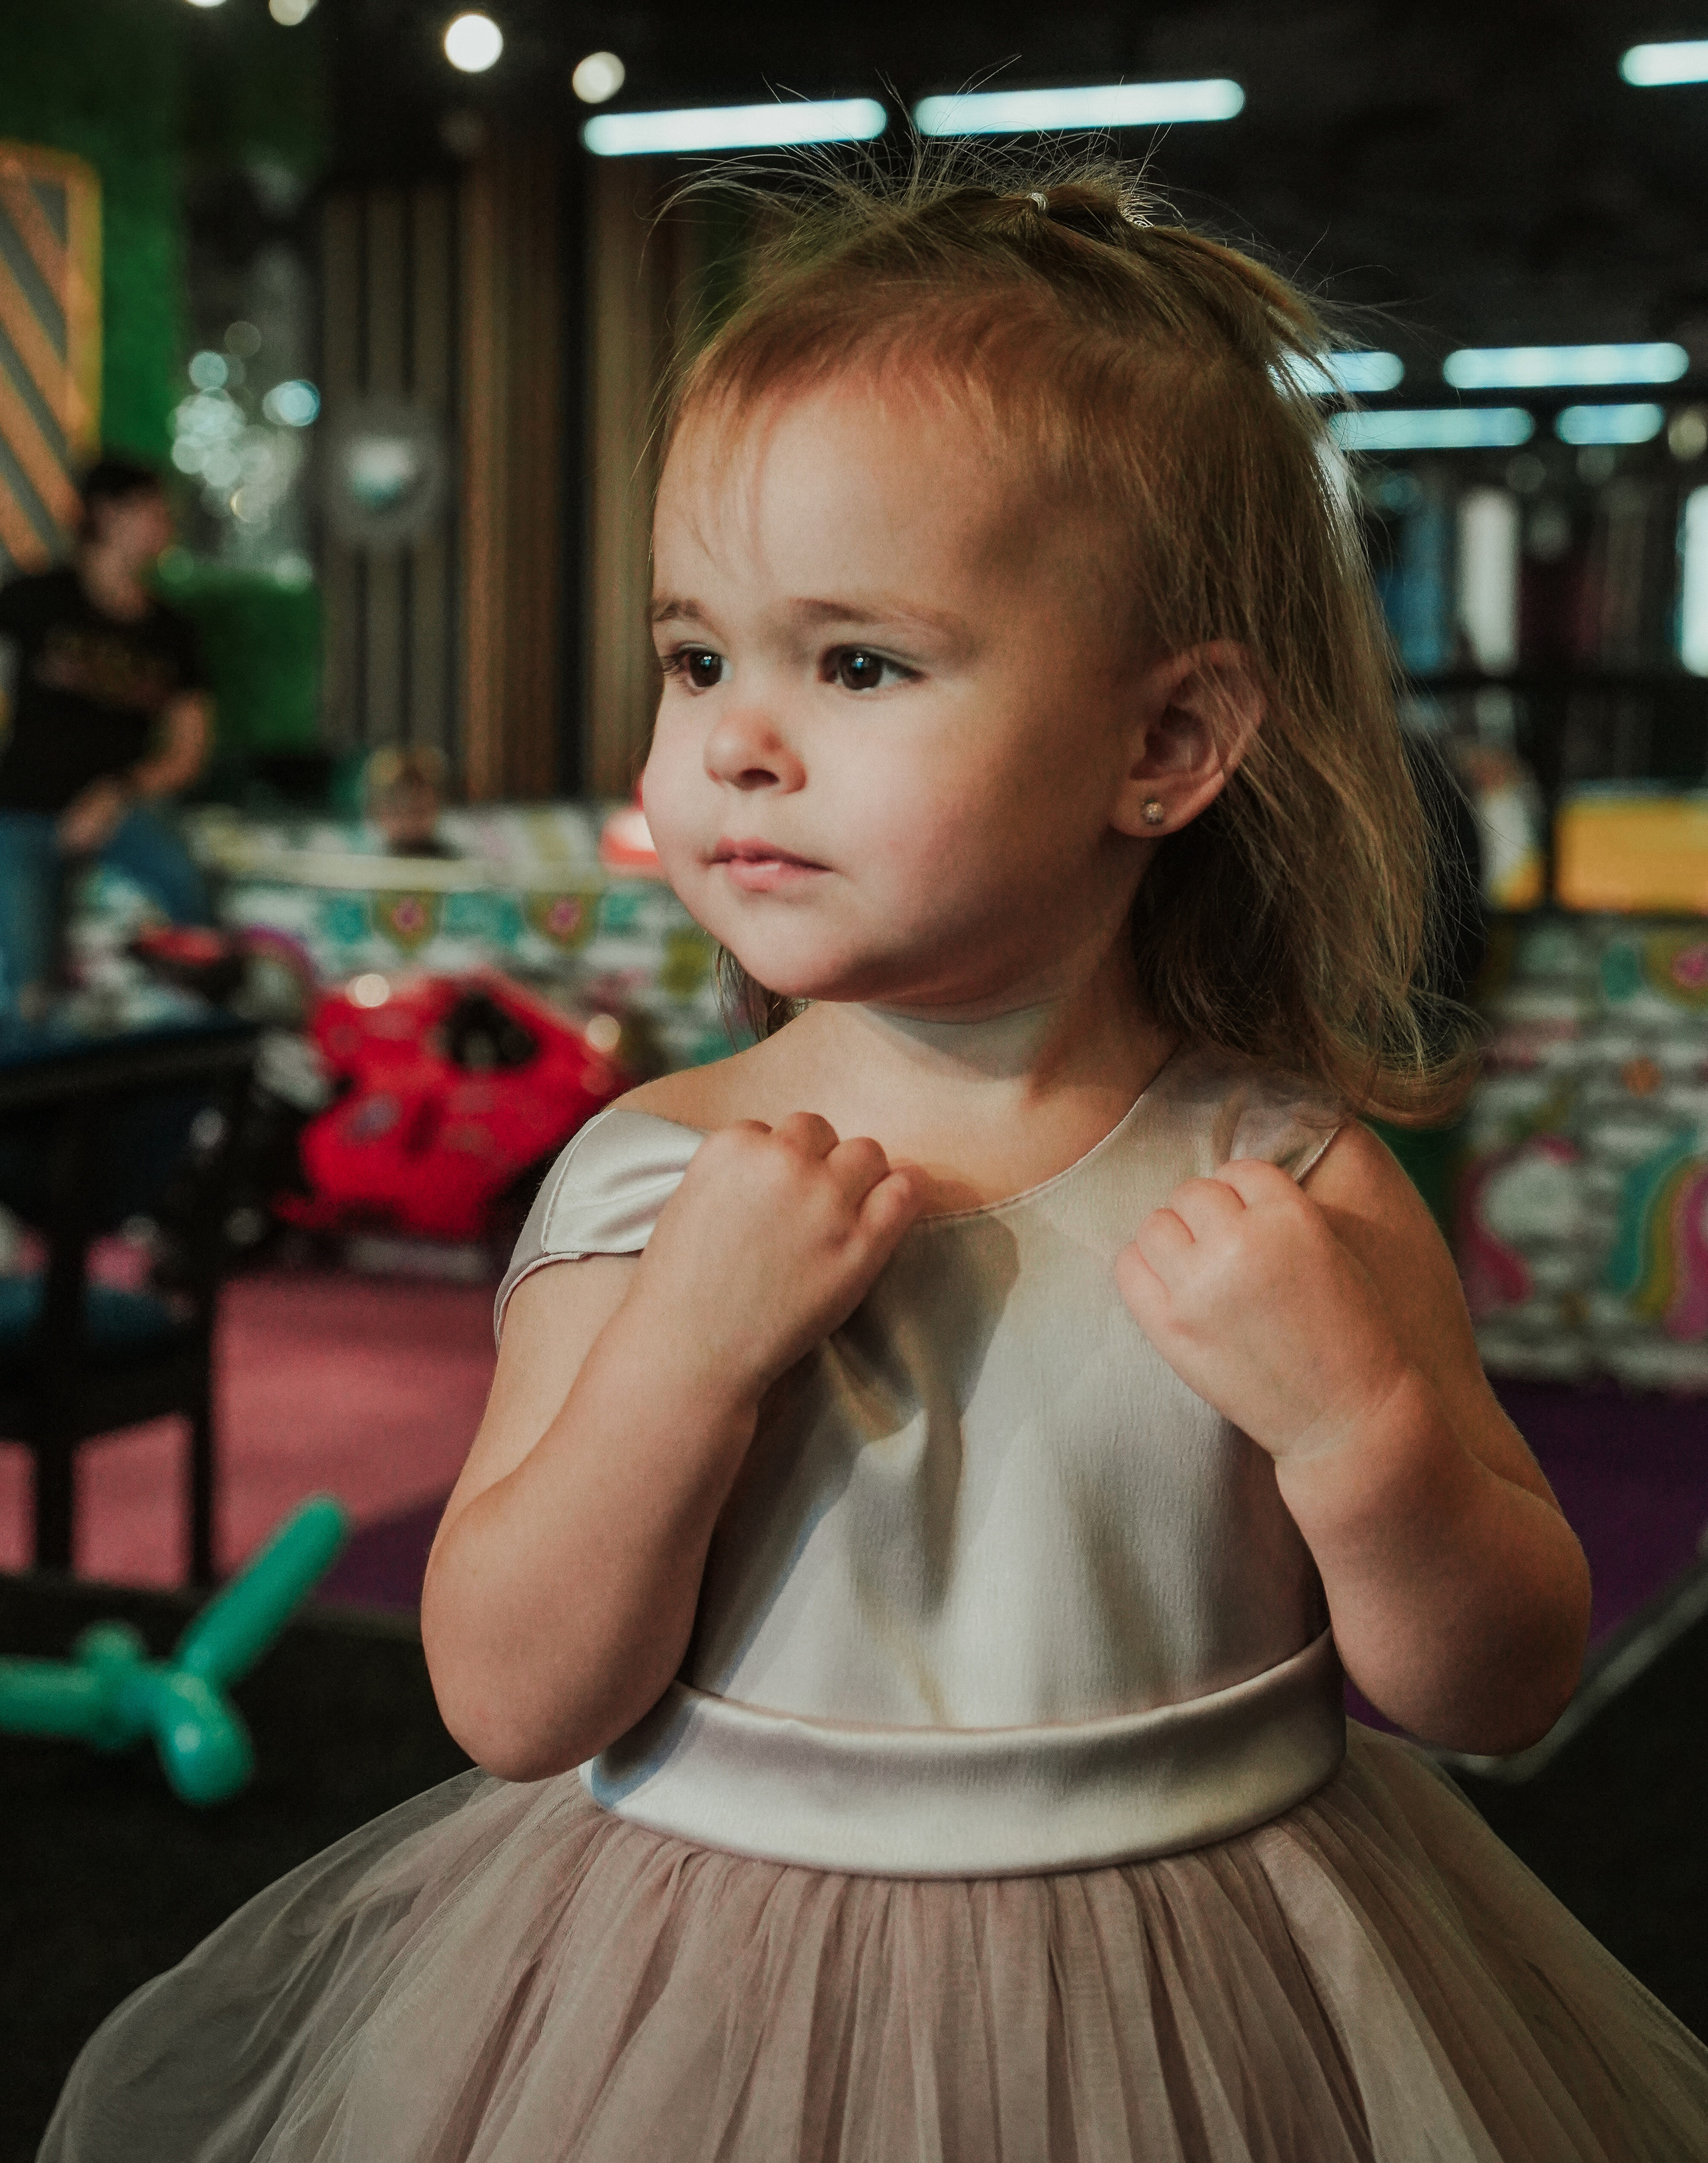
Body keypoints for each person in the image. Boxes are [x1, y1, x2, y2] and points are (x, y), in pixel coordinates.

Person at [40, 168, 1708, 2161]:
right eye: (693, 656)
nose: (738, 739)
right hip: (690, 2014)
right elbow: (506, 1695)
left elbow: (1494, 1678)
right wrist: (683, 1351)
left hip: (1205, 2010)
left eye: (855, 665)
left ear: (1162, 741)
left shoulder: (1292, 1179)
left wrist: (1361, 1435)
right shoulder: (652, 1182)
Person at [0, 454, 211, 1011]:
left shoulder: (171, 631)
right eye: (151, 509)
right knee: (22, 976)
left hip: (119, 807)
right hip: (23, 808)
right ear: (107, 513)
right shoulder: (37, 599)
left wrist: (116, 794)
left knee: (193, 903)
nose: (163, 523)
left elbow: (189, 750)